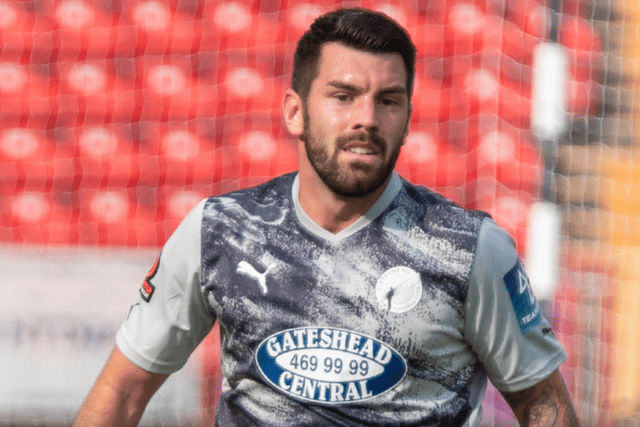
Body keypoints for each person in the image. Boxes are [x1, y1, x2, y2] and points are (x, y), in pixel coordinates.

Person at [73, 7, 580, 426]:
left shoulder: (470, 249)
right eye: (342, 96)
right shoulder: (220, 232)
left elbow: (543, 404)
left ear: (406, 117)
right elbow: (121, 392)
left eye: (388, 101)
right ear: (295, 111)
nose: (366, 118)